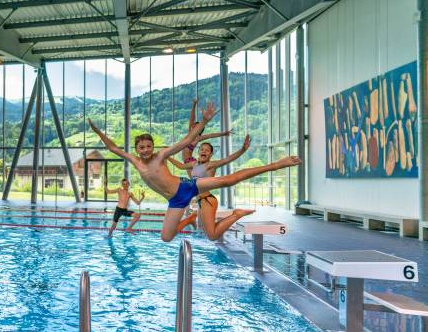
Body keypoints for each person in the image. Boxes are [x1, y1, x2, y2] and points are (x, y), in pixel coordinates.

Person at [88, 104, 301, 243]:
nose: (145, 150)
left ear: (153, 146)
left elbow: (188, 141)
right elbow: (114, 148)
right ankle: (191, 217)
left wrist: (205, 120)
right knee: (165, 237)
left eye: (148, 146)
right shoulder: (135, 161)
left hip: (185, 187)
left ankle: (277, 164)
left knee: (229, 180)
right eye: (141, 147)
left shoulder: (161, 155)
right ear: (137, 149)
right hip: (175, 202)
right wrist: (98, 131)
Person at [169, 135, 255, 239]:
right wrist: (166, 156)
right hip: (201, 201)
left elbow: (227, 160)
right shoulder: (194, 164)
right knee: (204, 231)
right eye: (202, 149)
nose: (204, 151)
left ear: (211, 154)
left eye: (207, 150)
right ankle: (194, 219)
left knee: (212, 235)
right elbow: (180, 166)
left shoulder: (211, 165)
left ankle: (236, 214)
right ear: (198, 152)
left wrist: (242, 150)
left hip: (207, 200)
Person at [181, 99, 232, 163]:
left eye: (196, 127)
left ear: (199, 130)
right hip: (188, 161)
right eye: (194, 126)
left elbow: (211, 135)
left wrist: (223, 134)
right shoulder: (189, 134)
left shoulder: (198, 138)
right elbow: (192, 118)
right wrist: (194, 105)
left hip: (189, 161)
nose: (193, 127)